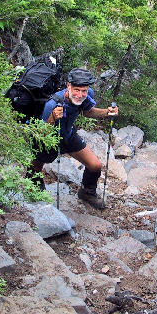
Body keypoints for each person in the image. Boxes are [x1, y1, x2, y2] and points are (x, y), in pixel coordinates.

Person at [26, 68, 118, 209]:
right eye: (76, 90)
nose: (80, 95)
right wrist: (52, 118)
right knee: (36, 167)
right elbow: (40, 132)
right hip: (48, 138)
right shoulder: (52, 103)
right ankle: (34, 194)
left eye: (84, 91)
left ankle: (87, 193)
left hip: (68, 136)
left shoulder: (86, 96)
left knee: (95, 166)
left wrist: (107, 112)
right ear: (68, 86)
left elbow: (88, 112)